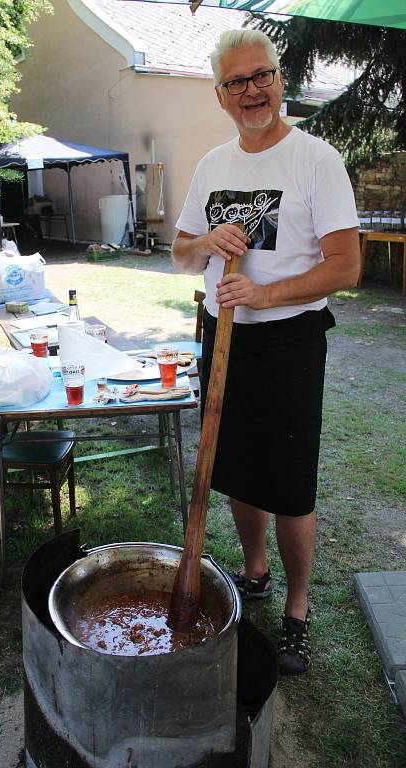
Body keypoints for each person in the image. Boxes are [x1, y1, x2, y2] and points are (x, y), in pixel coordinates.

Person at [172, 29, 361, 675]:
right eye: (237, 81)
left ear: (280, 80)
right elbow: (179, 252)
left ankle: (298, 611)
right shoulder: (212, 166)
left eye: (263, 76)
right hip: (222, 336)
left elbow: (346, 266)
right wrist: (206, 243)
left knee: (290, 486)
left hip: (290, 342)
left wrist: (265, 291)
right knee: (236, 469)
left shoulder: (316, 161)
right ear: (220, 94)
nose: (252, 90)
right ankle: (255, 572)